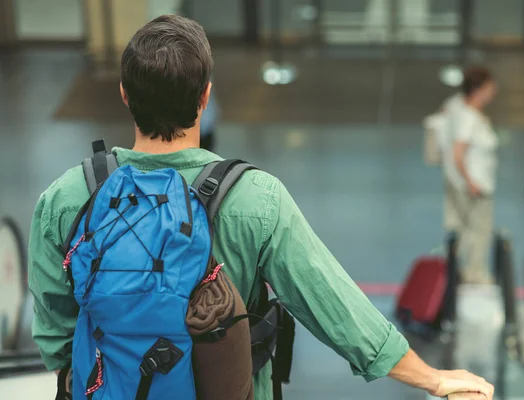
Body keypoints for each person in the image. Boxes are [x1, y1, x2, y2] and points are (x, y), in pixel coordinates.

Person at [28, 14, 494, 399]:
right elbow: (332, 304)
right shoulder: (254, 198)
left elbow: (55, 330)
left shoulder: (69, 197)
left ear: (126, 95)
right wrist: (431, 378)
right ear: (205, 96)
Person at [440, 66, 498, 284]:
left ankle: (460, 272)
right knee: (478, 230)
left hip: (454, 180)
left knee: (461, 228)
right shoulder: (469, 118)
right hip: (473, 184)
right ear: (478, 90)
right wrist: (471, 182)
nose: (494, 91)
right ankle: (475, 274)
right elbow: (458, 153)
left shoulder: (455, 104)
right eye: (490, 87)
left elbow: (443, 115)